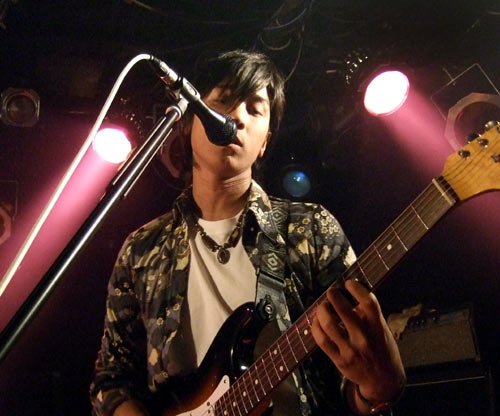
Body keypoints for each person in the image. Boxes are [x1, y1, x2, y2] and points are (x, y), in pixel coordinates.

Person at [90, 49, 406, 416]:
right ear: (190, 123)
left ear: (265, 143)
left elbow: (350, 386)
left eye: (254, 109)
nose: (237, 117)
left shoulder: (310, 228)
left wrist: (376, 389)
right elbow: (112, 381)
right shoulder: (142, 249)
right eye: (223, 102)